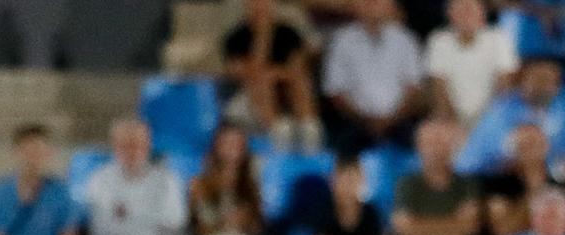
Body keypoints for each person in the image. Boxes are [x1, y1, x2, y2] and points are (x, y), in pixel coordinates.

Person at [79, 118, 190, 235]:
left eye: (138, 144)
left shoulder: (167, 181)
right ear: (115, 146)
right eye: (126, 145)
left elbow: (174, 223)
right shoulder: (99, 180)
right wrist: (149, 219)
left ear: (148, 145)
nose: (132, 151)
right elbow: (102, 229)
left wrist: (126, 216)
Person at [455, 56, 565, 177]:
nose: (545, 86)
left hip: (548, 178)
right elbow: (494, 156)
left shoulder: (564, 108)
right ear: (523, 81)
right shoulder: (501, 110)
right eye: (539, 79)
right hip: (500, 179)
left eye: (552, 80)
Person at [389, 118, 478, 235]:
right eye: (430, 143)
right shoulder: (409, 183)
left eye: (441, 143)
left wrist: (422, 228)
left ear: (451, 147)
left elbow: (470, 226)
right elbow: (405, 230)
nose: (436, 150)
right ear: (419, 147)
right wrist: (451, 226)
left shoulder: (466, 183)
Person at [321, 0, 426, 149]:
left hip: (400, 121)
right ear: (355, 6)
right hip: (356, 122)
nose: (372, 6)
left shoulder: (406, 40)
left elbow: (414, 89)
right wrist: (365, 120)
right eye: (366, 2)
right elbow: (335, 92)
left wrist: (392, 119)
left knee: (421, 142)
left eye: (377, 2)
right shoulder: (341, 41)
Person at [187, 122, 272, 235]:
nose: (232, 149)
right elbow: (198, 227)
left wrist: (246, 221)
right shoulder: (200, 185)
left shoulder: (251, 185)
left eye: (237, 144)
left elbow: (258, 227)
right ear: (217, 147)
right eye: (227, 143)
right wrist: (222, 224)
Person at [222, 0, 319, 146]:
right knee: (260, 81)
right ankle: (279, 134)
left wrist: (275, 74)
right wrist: (263, 38)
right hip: (248, 100)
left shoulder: (288, 33)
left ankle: (310, 133)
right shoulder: (235, 38)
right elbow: (246, 74)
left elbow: (297, 69)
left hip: (285, 93)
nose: (260, 7)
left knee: (299, 82)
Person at [424, 0, 518, 129]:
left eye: (471, 11)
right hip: (452, 119)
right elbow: (439, 88)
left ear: (482, 15)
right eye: (460, 11)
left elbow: (504, 86)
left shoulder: (499, 38)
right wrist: (453, 124)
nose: (466, 16)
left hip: (490, 117)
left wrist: (487, 125)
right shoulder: (439, 40)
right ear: (450, 15)